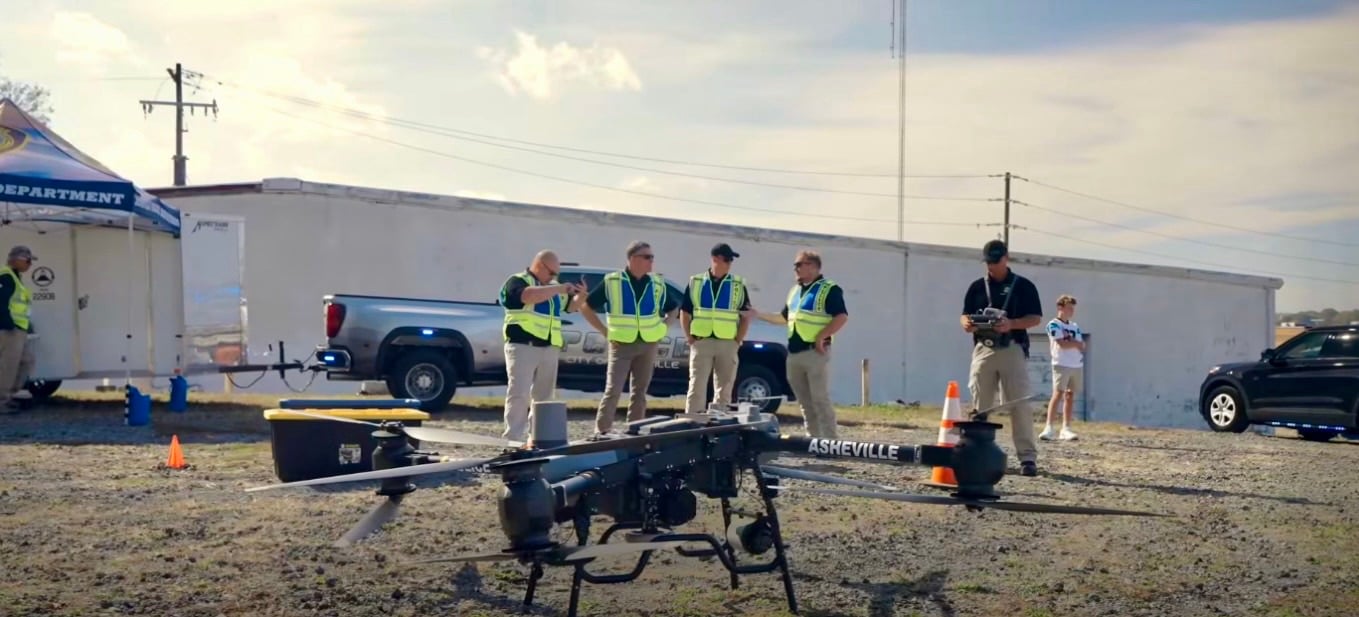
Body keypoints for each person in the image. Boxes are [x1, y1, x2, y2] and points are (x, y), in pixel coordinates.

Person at [577, 241, 680, 438]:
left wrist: (663, 328)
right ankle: (602, 432)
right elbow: (586, 306)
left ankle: (636, 431)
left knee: (640, 392)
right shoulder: (613, 281)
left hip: (648, 344)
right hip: (621, 344)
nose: (652, 261)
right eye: (647, 257)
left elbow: (673, 307)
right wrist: (604, 331)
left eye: (652, 257)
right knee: (613, 390)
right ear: (633, 259)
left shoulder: (657, 283)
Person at [960, 239, 1044, 476]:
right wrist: (966, 322)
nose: (991, 267)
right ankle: (978, 454)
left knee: (1018, 403)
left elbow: (1035, 318)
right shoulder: (977, 287)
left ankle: (1027, 458)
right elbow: (964, 314)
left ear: (1006, 259)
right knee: (980, 405)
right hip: (984, 348)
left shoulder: (1023, 286)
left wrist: (1012, 324)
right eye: (988, 262)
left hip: (1011, 348)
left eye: (995, 262)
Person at [756, 250, 847, 438]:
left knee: (820, 399)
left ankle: (830, 441)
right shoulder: (795, 291)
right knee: (805, 402)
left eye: (799, 264)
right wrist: (756, 314)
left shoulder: (828, 289)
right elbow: (783, 318)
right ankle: (813, 440)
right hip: (794, 354)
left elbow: (841, 316)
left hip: (815, 353)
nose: (795, 269)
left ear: (813, 266)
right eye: (795, 265)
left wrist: (823, 336)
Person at [498, 250, 586, 443]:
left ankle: (536, 439)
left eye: (556, 274)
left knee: (544, 397)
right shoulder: (518, 281)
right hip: (523, 346)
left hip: (549, 347)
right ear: (539, 265)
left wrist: (581, 296)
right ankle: (512, 439)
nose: (554, 277)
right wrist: (559, 288)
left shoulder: (554, 287)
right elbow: (527, 297)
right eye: (552, 273)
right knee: (519, 393)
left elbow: (570, 308)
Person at [681, 243, 752, 414]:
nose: (729, 264)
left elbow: (746, 314)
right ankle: (692, 424)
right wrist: (689, 337)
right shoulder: (696, 282)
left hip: (728, 343)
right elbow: (685, 311)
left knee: (724, 388)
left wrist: (738, 339)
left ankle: (719, 426)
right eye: (727, 259)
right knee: (696, 386)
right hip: (701, 341)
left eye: (731, 261)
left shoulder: (738, 284)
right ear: (715, 259)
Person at [1042, 294, 1084, 441]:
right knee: (1058, 393)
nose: (1071, 311)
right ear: (1060, 307)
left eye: (1072, 308)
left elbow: (1082, 345)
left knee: (1070, 394)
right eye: (1068, 308)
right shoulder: (1054, 324)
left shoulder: (1074, 326)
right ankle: (1049, 427)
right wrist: (1073, 342)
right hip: (1061, 363)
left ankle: (1066, 428)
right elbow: (1061, 343)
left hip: (1076, 364)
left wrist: (1071, 340)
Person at [0, 245, 36, 413]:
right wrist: (7, 324)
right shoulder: (6, 277)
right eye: (28, 261)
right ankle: (2, 400)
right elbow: (1, 302)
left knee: (26, 361)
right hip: (9, 329)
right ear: (17, 260)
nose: (30, 264)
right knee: (9, 364)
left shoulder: (16, 277)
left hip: (19, 328)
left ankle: (10, 394)